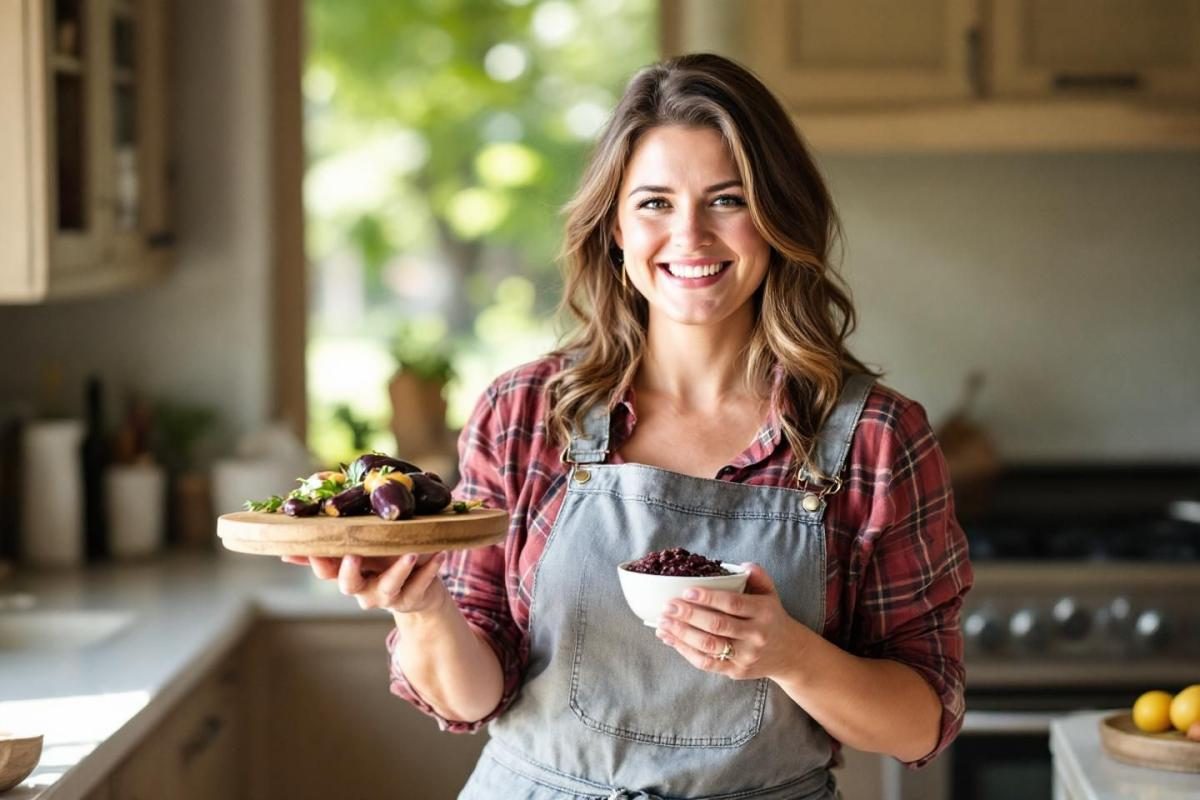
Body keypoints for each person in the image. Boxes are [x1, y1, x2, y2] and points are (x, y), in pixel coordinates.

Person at [288, 52, 973, 800]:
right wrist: (421, 608)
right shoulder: (525, 413)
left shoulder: (874, 436)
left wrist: (790, 654)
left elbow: (921, 720)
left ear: (779, 219)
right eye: (654, 203)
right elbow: (472, 697)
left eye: (728, 199)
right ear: (614, 226)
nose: (690, 237)